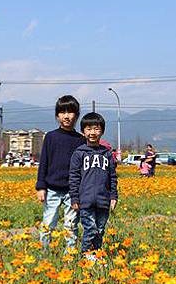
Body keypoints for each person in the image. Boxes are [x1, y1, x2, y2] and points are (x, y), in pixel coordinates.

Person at [36, 95, 86, 252]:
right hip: (52, 189)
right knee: (48, 223)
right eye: (62, 112)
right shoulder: (51, 137)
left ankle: (69, 255)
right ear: (57, 116)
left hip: (73, 191)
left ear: (76, 115)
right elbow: (43, 162)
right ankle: (44, 254)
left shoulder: (81, 140)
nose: (67, 116)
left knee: (71, 225)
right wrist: (40, 186)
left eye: (71, 112)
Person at [69, 112, 118, 258]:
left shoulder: (107, 154)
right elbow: (74, 177)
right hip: (86, 200)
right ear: (83, 131)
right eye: (89, 129)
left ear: (102, 131)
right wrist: (74, 198)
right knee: (90, 229)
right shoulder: (79, 153)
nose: (92, 132)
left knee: (101, 230)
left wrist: (113, 196)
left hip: (103, 200)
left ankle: (97, 255)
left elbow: (113, 176)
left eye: (96, 129)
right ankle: (86, 256)